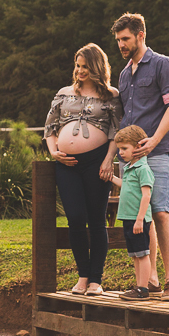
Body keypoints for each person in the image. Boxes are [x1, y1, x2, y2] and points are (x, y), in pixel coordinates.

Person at [106, 12, 169, 302]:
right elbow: (125, 118)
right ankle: (148, 280)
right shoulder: (125, 74)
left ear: (141, 35)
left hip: (159, 151)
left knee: (161, 212)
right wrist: (114, 155)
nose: (121, 45)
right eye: (118, 40)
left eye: (125, 39)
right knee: (142, 216)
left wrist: (154, 141)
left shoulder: (164, 65)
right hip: (130, 159)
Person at [44, 43, 123, 296]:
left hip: (97, 161)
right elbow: (50, 126)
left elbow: (116, 131)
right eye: (78, 66)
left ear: (97, 67)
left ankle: (95, 280)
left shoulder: (111, 95)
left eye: (85, 67)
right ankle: (82, 275)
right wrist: (53, 151)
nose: (80, 71)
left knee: (97, 220)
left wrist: (108, 159)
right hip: (66, 164)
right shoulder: (64, 93)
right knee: (75, 218)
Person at [111, 125, 156, 300]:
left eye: (124, 148)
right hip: (128, 218)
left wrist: (139, 220)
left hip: (139, 219)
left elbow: (146, 196)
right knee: (135, 254)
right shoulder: (130, 167)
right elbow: (127, 186)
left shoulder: (143, 169)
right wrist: (113, 179)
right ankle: (139, 286)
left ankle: (143, 289)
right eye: (119, 149)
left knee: (143, 253)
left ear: (138, 147)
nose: (120, 152)